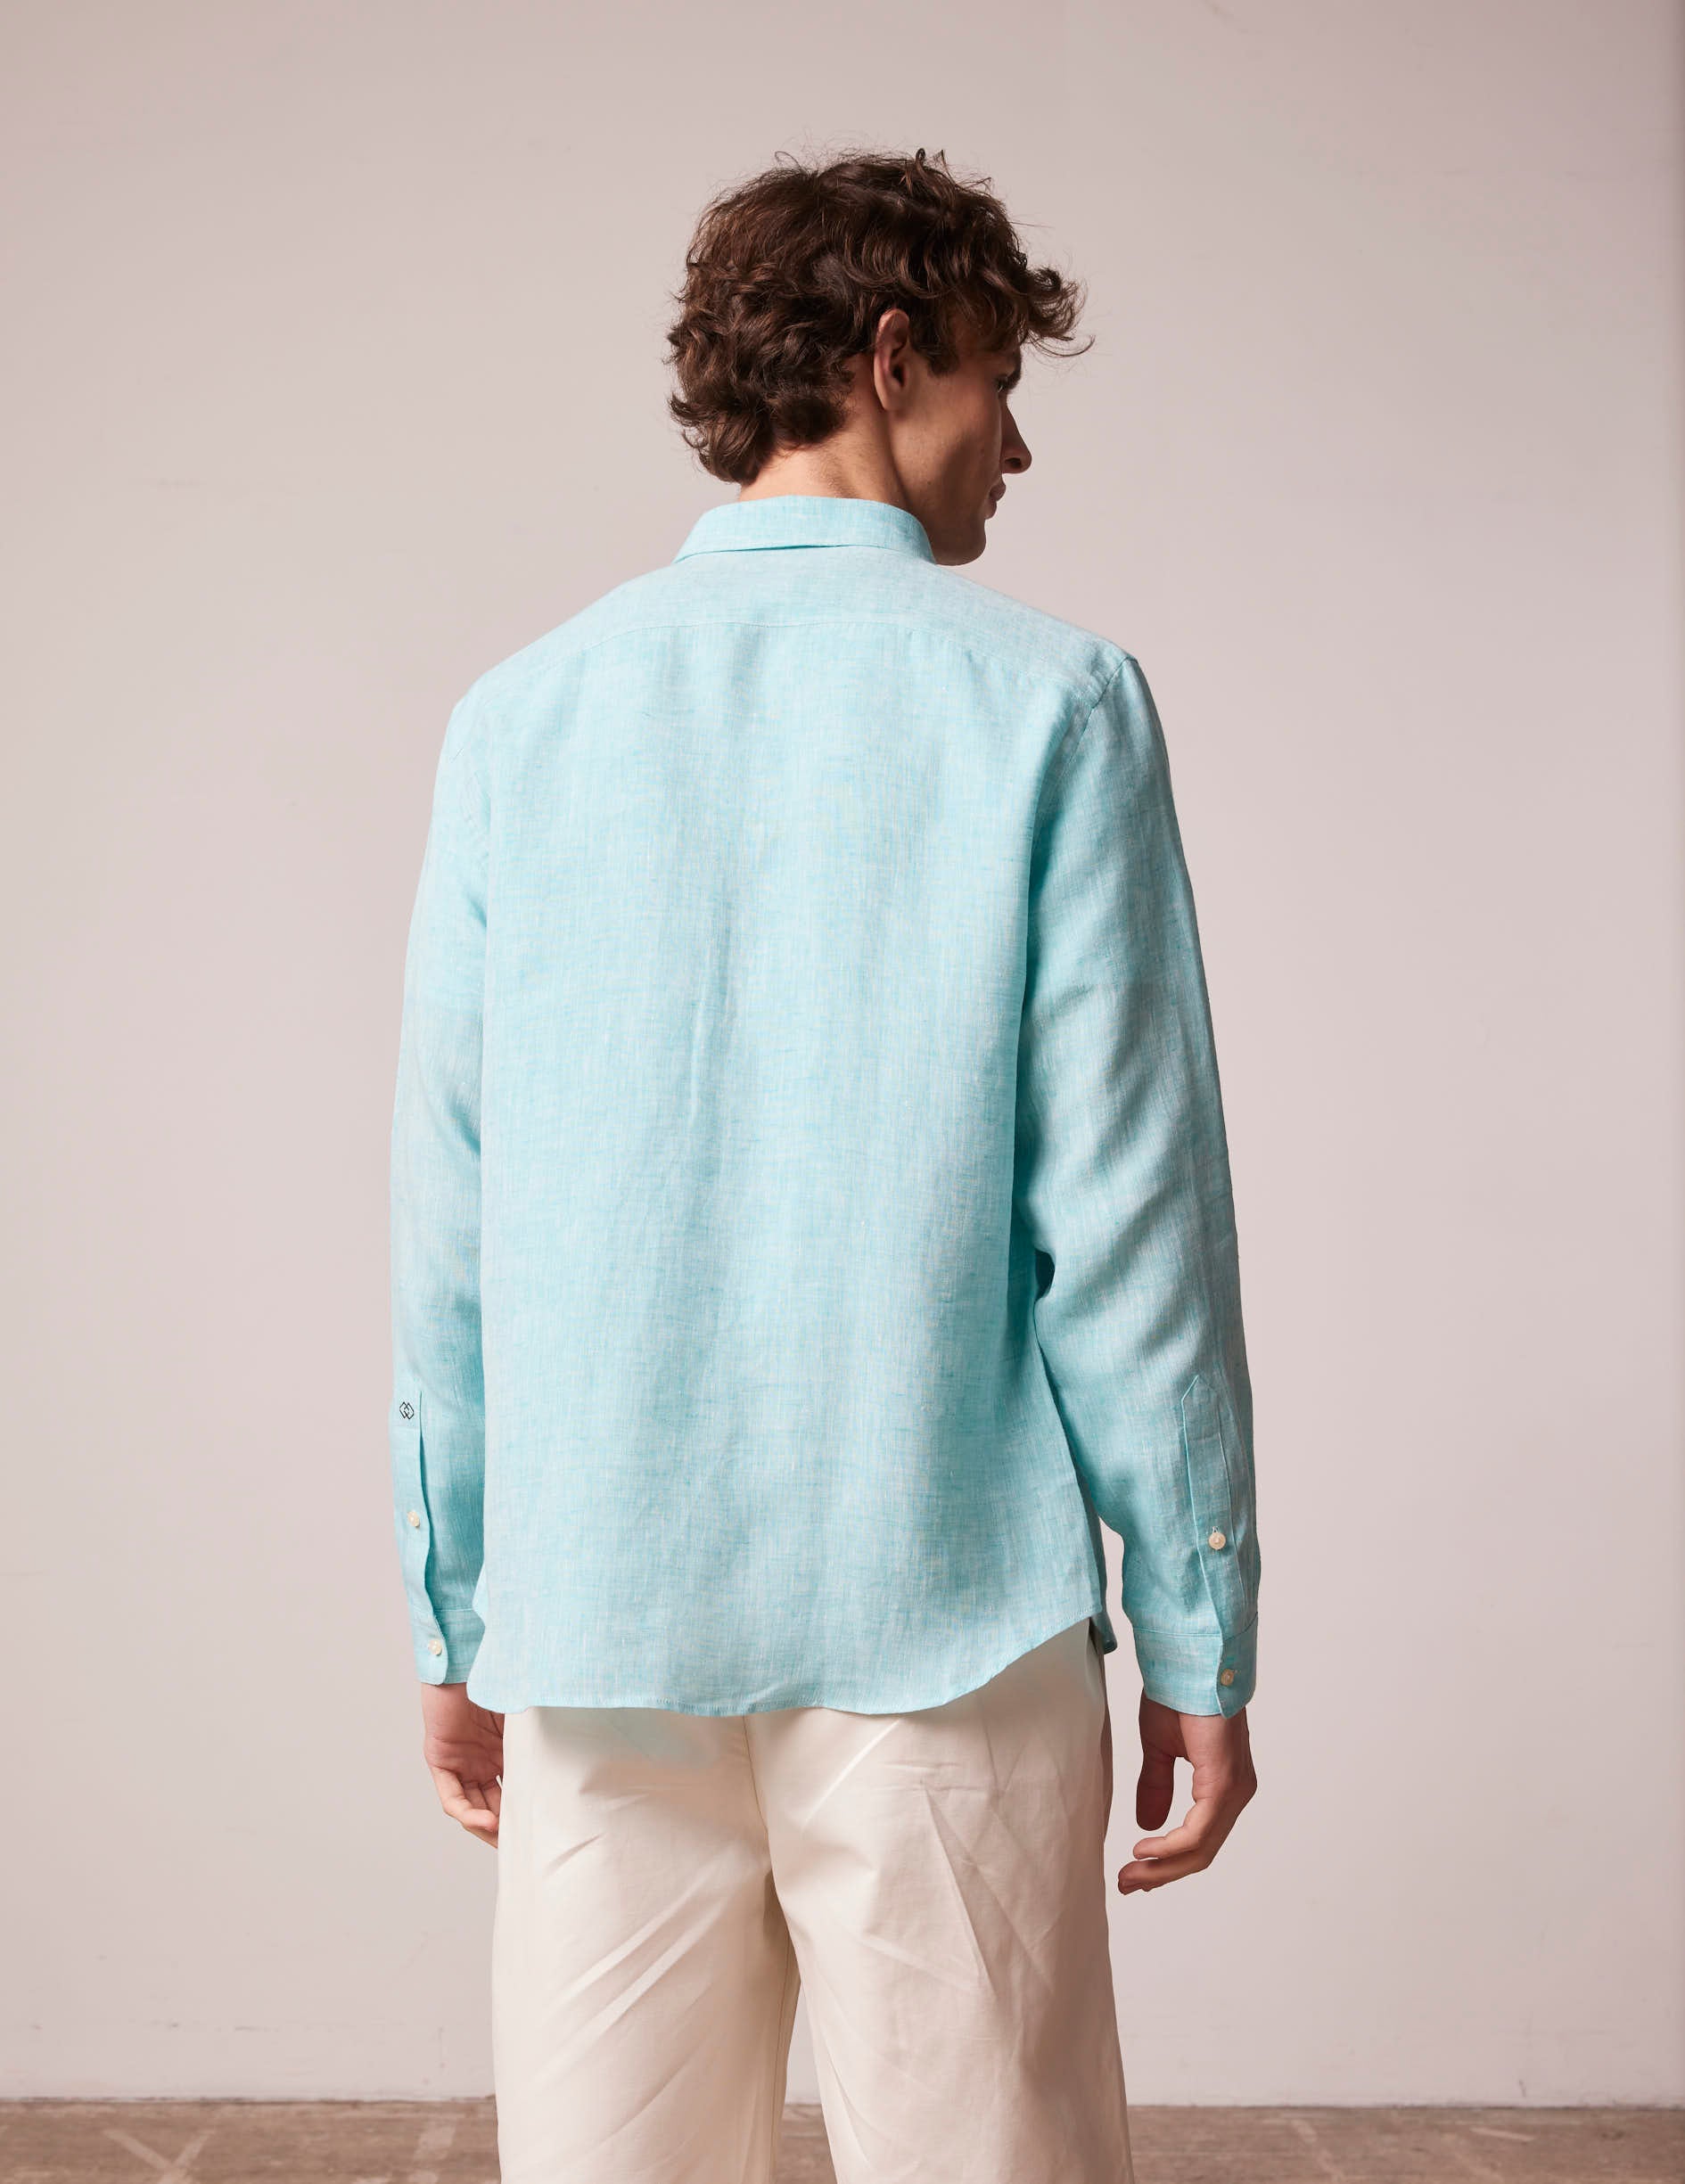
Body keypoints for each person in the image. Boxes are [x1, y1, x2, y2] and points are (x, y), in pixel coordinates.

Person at [387, 146, 1261, 2184]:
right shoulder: (1058, 706)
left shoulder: (519, 720)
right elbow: (1129, 1225)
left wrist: (453, 1608)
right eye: (995, 384)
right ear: (892, 355)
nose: (1015, 446)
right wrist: (1200, 1630)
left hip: (601, 1617)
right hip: (948, 1629)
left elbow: (455, 1220)